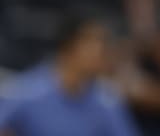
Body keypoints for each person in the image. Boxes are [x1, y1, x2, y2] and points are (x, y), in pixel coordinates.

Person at [0, 8, 139, 136]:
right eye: (94, 41)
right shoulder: (25, 92)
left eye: (105, 43)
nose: (102, 50)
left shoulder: (107, 100)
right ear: (68, 43)